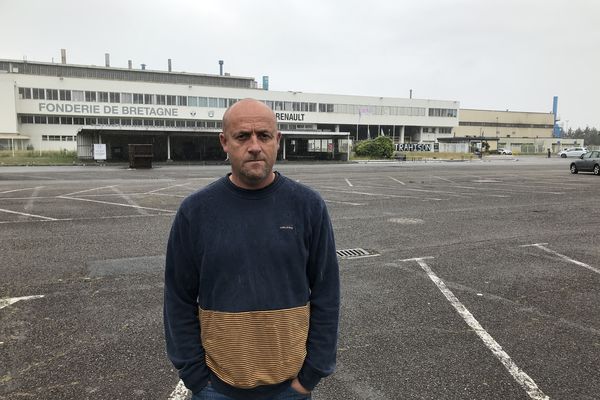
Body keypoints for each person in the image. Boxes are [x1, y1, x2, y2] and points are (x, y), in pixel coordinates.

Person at [164, 98, 340, 400]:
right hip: (216, 388)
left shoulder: (308, 206)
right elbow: (178, 298)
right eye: (243, 136)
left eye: (264, 135)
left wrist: (311, 375)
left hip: (291, 387)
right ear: (225, 142)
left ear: (278, 140)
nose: (255, 145)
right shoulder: (196, 212)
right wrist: (195, 376)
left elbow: (327, 294)